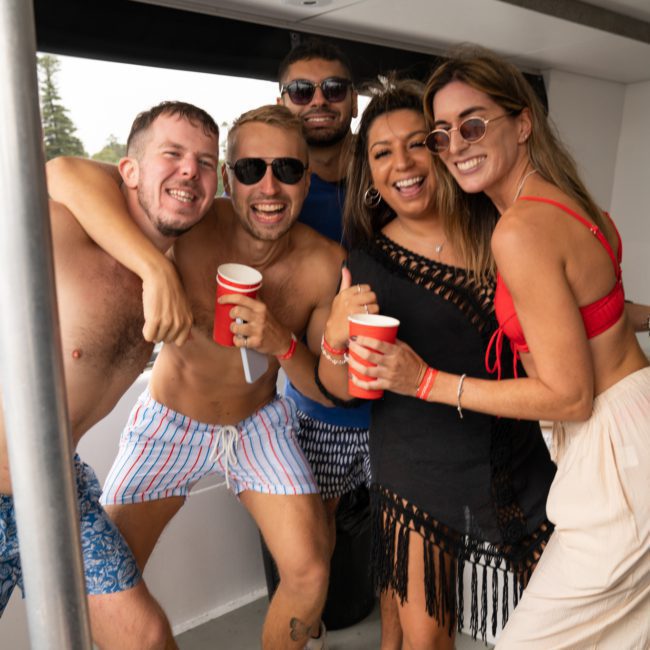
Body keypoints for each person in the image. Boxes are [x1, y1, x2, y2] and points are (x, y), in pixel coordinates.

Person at [349, 46, 650, 648]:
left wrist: (426, 381)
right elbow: (602, 315)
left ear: (522, 123)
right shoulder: (574, 202)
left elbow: (569, 396)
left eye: (473, 124)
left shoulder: (517, 231)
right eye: (443, 134)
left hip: (612, 448)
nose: (456, 144)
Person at [47, 104, 345, 650]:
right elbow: (62, 173)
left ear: (309, 177)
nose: (270, 186)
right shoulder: (188, 221)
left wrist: (281, 340)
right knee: (109, 585)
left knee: (311, 571)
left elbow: (321, 387)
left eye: (288, 169)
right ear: (229, 177)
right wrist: (155, 267)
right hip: (169, 424)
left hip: (259, 424)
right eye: (252, 169)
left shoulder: (325, 262)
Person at [316, 78, 556, 649]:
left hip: (517, 456)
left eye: (417, 142)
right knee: (427, 639)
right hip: (417, 472)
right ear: (369, 175)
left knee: (559, 616)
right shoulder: (366, 265)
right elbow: (340, 389)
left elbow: (565, 311)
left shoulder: (499, 227)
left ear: (442, 149)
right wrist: (333, 335)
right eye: (381, 153)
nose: (402, 162)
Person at [1, 100, 221, 649]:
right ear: (127, 170)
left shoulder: (187, 261)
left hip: (55, 495)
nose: (191, 170)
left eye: (206, 162)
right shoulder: (61, 230)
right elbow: (60, 171)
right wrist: (153, 268)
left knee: (145, 638)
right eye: (171, 154)